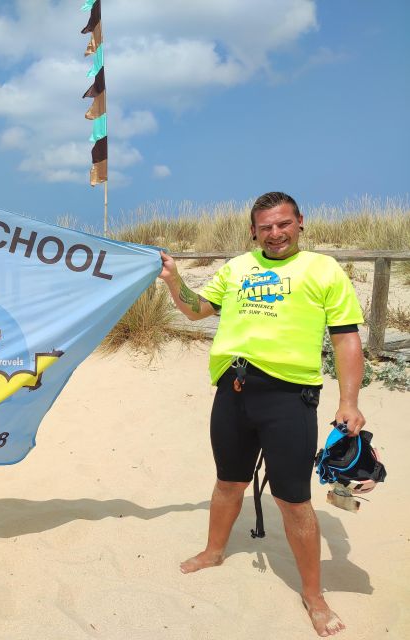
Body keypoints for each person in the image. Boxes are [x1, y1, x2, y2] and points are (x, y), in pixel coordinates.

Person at [158, 192, 364, 637]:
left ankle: (313, 594)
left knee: (293, 499)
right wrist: (174, 280)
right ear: (254, 230)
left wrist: (349, 401)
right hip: (233, 391)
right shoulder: (237, 268)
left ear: (299, 223)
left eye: (283, 224)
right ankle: (215, 551)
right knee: (228, 481)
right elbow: (196, 312)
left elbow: (347, 339)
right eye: (266, 227)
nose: (275, 234)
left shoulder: (322, 270)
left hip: (290, 399)